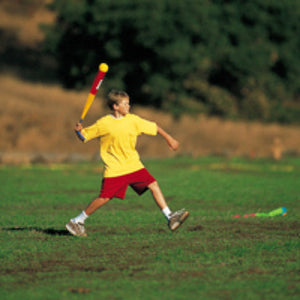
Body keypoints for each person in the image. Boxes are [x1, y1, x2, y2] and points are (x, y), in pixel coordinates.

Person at [66, 90, 189, 236]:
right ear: (115, 106)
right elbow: (84, 136)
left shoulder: (133, 120)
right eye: (125, 104)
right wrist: (78, 131)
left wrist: (170, 139)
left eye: (128, 103)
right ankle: (77, 221)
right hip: (115, 168)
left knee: (153, 184)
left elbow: (154, 127)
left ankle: (170, 217)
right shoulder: (104, 123)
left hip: (133, 165)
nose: (128, 106)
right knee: (105, 197)